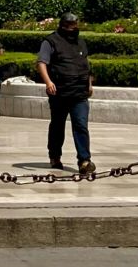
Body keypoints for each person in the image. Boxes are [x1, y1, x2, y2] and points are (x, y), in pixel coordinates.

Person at [36, 11, 95, 174]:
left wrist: (89, 83)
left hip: (79, 92)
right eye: (69, 26)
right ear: (62, 26)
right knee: (57, 125)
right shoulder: (50, 41)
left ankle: (84, 160)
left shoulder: (81, 42)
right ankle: (55, 156)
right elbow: (41, 62)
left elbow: (86, 64)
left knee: (81, 125)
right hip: (59, 92)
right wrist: (48, 82)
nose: (72, 29)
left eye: (74, 26)